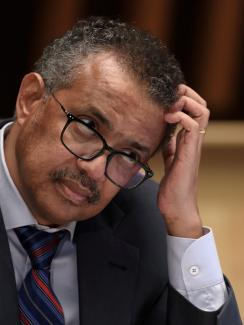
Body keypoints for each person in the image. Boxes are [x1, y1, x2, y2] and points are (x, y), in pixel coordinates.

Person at [0, 16, 242, 325]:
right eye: (88, 125)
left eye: (128, 154)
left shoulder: (145, 224)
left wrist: (184, 223)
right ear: (30, 99)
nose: (96, 169)